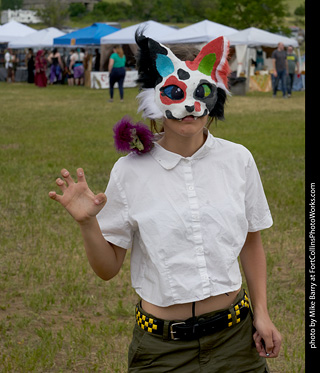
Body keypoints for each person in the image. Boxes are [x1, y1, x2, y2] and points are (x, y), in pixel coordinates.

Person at [49, 31, 281, 372]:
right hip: (161, 351)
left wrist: (261, 312)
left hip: (235, 341)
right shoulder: (129, 171)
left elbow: (251, 240)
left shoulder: (238, 160)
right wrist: (88, 225)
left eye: (200, 92)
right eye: (175, 93)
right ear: (155, 99)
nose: (189, 107)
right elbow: (107, 268)